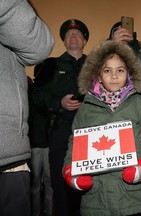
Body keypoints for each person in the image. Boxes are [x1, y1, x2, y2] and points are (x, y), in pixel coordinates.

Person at [62, 40, 141, 216]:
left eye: (120, 70)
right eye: (107, 70)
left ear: (129, 73)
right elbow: (75, 142)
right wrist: (71, 170)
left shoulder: (138, 102)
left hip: (137, 198)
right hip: (96, 201)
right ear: (98, 75)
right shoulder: (86, 107)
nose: (114, 76)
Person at [0, 0, 54, 215]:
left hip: (16, 150)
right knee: (36, 188)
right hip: (31, 145)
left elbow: (37, 46)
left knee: (47, 184)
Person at [31, 19, 89, 216]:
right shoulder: (50, 65)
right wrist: (58, 103)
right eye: (69, 34)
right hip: (61, 133)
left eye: (78, 34)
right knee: (60, 185)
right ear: (64, 41)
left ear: (85, 41)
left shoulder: (95, 65)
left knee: (90, 186)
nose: (73, 36)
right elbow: (36, 94)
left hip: (91, 133)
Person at [108, 20, 141, 104]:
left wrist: (134, 47)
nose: (122, 35)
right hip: (110, 108)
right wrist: (112, 46)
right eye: (118, 33)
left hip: (138, 108)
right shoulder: (103, 54)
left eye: (126, 32)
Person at [29, 63, 53, 216]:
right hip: (35, 144)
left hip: (47, 144)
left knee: (47, 184)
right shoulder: (31, 91)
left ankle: (47, 212)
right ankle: (36, 213)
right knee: (36, 184)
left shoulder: (51, 91)